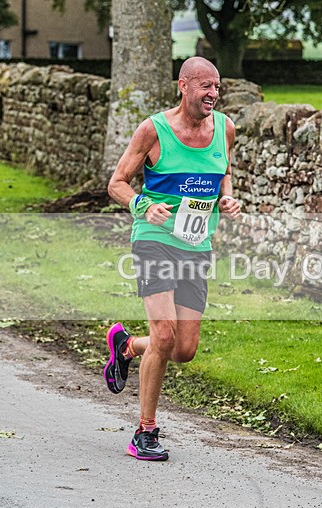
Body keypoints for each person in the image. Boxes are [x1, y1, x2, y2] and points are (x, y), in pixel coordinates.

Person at [103, 57, 240, 461]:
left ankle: (127, 346)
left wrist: (226, 195)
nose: (213, 94)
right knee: (164, 335)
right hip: (155, 239)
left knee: (183, 348)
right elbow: (117, 184)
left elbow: (223, 170)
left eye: (217, 87)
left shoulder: (225, 129)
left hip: (195, 246)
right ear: (183, 86)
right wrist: (143, 205)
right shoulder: (154, 129)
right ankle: (145, 431)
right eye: (205, 87)